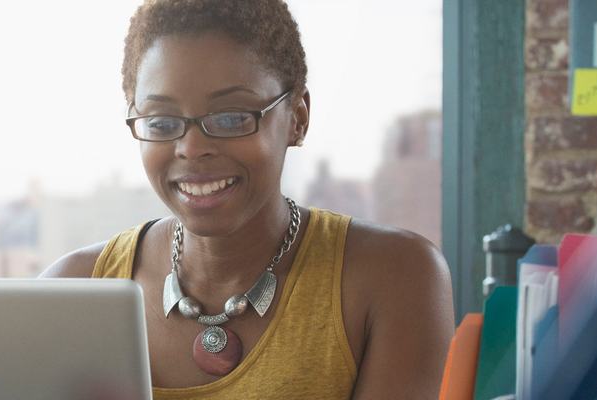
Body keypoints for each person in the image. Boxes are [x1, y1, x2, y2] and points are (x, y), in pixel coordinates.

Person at [41, 1, 454, 398]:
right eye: (163, 122)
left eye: (232, 117)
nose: (191, 147)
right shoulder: (73, 289)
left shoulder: (391, 276)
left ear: (297, 118)